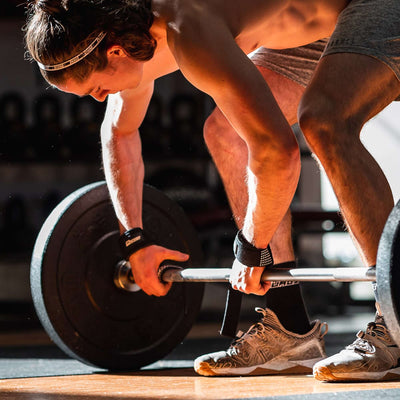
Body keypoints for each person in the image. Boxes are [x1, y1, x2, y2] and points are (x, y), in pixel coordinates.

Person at [24, 0, 400, 382]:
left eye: (96, 89)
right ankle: (289, 328)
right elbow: (119, 132)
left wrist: (253, 247)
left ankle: (396, 322)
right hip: (307, 35)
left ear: (114, 53)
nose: (100, 98)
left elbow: (278, 154)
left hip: (368, 5)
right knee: (226, 134)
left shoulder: (189, 30)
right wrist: (135, 240)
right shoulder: (131, 32)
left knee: (323, 121)